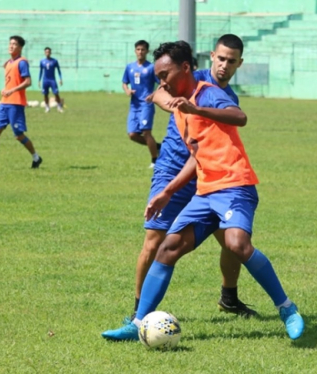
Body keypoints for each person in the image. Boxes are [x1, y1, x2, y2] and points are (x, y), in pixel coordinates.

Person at [102, 41, 304, 341]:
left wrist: (195, 108)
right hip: (204, 191)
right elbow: (197, 156)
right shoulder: (182, 105)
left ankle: (287, 308)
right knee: (167, 248)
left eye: (165, 75)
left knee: (236, 244)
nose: (162, 82)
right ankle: (138, 322)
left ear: (184, 69)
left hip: (234, 184)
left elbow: (240, 117)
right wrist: (168, 191)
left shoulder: (209, 93)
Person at [108, 35, 258, 328]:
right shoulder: (189, 77)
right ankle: (139, 310)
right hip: (171, 169)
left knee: (233, 241)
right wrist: (179, 104)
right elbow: (157, 94)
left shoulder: (228, 99)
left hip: (208, 176)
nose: (224, 66)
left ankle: (229, 297)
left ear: (239, 63)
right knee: (154, 241)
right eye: (221, 58)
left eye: (231, 61)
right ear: (212, 56)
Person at [0, 36, 42, 170]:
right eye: (10, 43)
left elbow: (28, 82)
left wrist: (12, 90)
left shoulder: (22, 63)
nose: (11, 46)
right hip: (4, 103)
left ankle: (36, 157)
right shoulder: (8, 63)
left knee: (18, 135)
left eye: (14, 44)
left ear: (20, 47)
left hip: (16, 104)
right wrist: (6, 89)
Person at [122, 40, 159, 168]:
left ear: (147, 51)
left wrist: (153, 94)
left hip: (146, 105)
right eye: (138, 49)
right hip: (134, 105)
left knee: (146, 132)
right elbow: (124, 82)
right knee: (132, 135)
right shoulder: (130, 67)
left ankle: (155, 160)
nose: (140, 52)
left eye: (143, 50)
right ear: (135, 51)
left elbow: (162, 84)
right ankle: (158, 146)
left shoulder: (151, 68)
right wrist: (127, 90)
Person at [38, 47, 64, 113]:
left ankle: (59, 106)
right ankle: (47, 107)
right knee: (45, 94)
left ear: (50, 52)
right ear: (44, 53)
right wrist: (39, 80)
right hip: (45, 80)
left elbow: (59, 70)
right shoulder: (42, 61)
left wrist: (60, 79)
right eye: (46, 52)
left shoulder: (54, 61)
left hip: (52, 80)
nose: (47, 53)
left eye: (48, 52)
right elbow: (41, 71)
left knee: (56, 93)